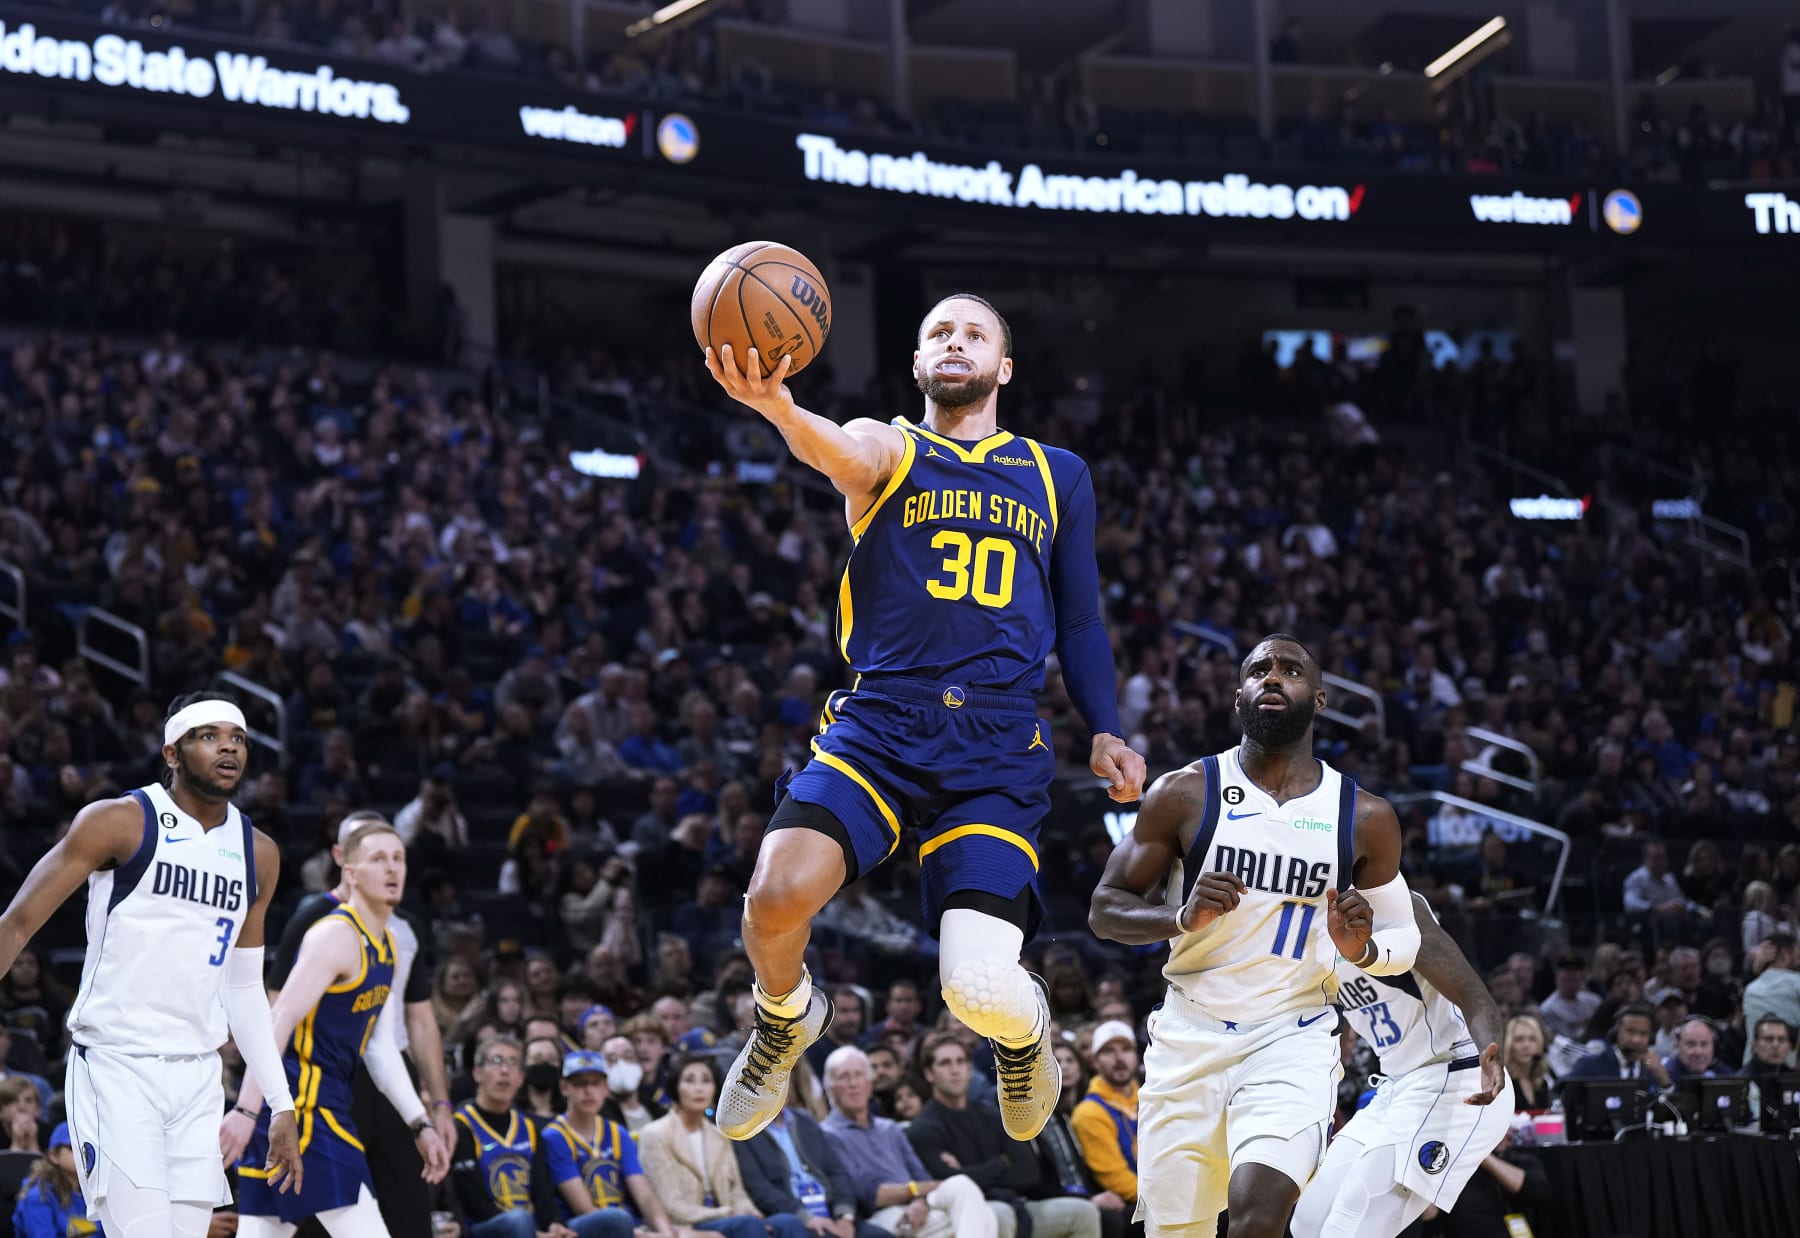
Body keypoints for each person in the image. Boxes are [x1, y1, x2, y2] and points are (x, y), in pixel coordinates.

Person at [703, 294, 1146, 1143]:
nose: (955, 341)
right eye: (938, 330)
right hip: (883, 723)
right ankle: (783, 1018)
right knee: (774, 894)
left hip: (995, 743)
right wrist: (780, 408)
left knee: (974, 989)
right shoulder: (893, 446)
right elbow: (838, 449)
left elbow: (1082, 619)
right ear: (917, 364)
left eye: (974, 332)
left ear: (1003, 368)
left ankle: (1026, 1037)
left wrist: (1104, 724)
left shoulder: (1059, 474)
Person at [1088, 635, 1420, 1238]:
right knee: (1176, 1231)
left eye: (1290, 670)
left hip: (1292, 1036)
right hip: (1189, 1036)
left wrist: (1363, 951)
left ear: (1317, 699)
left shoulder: (1364, 816)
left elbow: (1404, 937)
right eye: (1258, 670)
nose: (1272, 678)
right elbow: (1104, 911)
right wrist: (1179, 919)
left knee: (1258, 1218)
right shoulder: (1185, 792)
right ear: (1238, 694)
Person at [0, 693, 302, 1236]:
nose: (228, 746)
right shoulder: (119, 822)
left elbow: (244, 990)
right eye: (208, 736)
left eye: (236, 738)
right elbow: (17, 924)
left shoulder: (259, 853)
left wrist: (280, 1103)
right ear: (172, 752)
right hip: (117, 1066)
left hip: (198, 1077)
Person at [225, 820, 451, 1236]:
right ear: (350, 873)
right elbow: (278, 1020)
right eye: (378, 859)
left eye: (398, 859)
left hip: (315, 1106)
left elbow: (380, 1047)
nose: (392, 869)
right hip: (303, 1111)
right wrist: (246, 1109)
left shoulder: (388, 946)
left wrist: (419, 1122)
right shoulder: (334, 936)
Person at [1291, 893, 1511, 1238]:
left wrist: (1492, 1055)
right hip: (1399, 1084)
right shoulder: (1300, 922)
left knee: (1346, 1220)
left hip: (1457, 1074)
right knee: (1306, 1221)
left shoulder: (1395, 904)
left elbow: (1471, 991)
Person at [906, 1031, 1100, 1238]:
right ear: (928, 1073)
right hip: (965, 1213)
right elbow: (949, 1183)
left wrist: (971, 1172)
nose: (955, 1070)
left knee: (1083, 1212)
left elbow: (1029, 1172)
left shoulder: (990, 1113)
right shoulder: (923, 1127)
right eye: (945, 1063)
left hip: (1015, 1204)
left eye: (961, 1061)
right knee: (1001, 1213)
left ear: (969, 1068)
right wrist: (1001, 1163)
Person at [818, 1046, 1009, 1238]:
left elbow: (921, 1176)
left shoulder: (889, 1128)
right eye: (843, 1077)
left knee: (961, 1184)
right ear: (830, 1088)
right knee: (985, 1217)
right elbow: (868, 1194)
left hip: (918, 1202)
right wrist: (915, 1191)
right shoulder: (827, 1134)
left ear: (869, 1083)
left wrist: (919, 1201)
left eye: (858, 1075)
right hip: (881, 1214)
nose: (853, 1084)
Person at [637, 1055, 808, 1237]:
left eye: (706, 1081)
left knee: (789, 1222)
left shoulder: (720, 1134)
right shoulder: (655, 1134)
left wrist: (749, 1210)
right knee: (746, 1225)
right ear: (675, 1087)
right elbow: (670, 1204)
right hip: (687, 1223)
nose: (699, 1088)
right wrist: (728, 1213)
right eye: (689, 1080)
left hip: (730, 1218)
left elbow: (736, 1190)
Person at [539, 1050, 688, 1237]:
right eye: (579, 1084)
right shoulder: (554, 1136)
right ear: (564, 1088)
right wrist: (636, 1234)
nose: (589, 1091)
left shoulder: (617, 1132)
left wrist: (665, 1233)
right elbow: (582, 1207)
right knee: (616, 1219)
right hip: (583, 1226)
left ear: (605, 1088)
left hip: (626, 1223)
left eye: (595, 1083)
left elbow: (644, 1194)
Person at [449, 1035, 569, 1238]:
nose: (504, 1071)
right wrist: (533, 1233)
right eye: (496, 1061)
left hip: (527, 1226)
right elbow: (474, 1202)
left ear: (521, 1078)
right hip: (482, 1228)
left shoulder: (529, 1127)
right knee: (518, 1220)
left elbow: (543, 1190)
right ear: (478, 1073)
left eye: (512, 1063)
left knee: (612, 1221)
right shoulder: (461, 1126)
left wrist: (554, 1225)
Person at [735, 1079, 887, 1238]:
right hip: (795, 1218)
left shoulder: (806, 1121)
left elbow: (836, 1172)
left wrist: (844, 1216)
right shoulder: (745, 1134)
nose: (778, 1090)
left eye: (782, 1082)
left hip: (832, 1213)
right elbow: (759, 1188)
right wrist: (805, 1217)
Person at [1067, 1020, 1138, 1216]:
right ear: (1094, 1062)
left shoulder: (1152, 1100)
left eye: (1126, 1049)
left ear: (1137, 1056)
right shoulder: (1089, 1112)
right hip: (1134, 1206)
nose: (1119, 1058)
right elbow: (1116, 1178)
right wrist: (1170, 1200)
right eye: (1108, 1051)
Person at [12, 1122, 96, 1238]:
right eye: (73, 1148)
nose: (82, 1154)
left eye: (86, 1147)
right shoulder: (38, 1197)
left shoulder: (95, 1192)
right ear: (54, 1156)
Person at [1563, 1003, 1671, 1090]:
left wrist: (1664, 1080)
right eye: (1630, 1032)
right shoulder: (1590, 1065)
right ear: (1616, 1032)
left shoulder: (1651, 1069)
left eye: (1643, 1034)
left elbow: (1668, 1111)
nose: (1636, 1040)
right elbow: (1563, 1091)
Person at [1499, 1015, 1556, 1112]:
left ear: (1539, 1044)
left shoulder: (1542, 1083)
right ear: (1509, 1045)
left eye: (1532, 1039)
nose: (1526, 1045)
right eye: (1519, 1039)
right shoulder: (1502, 1083)